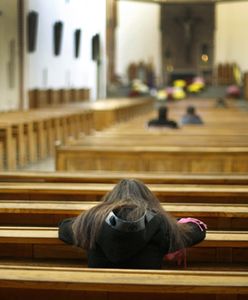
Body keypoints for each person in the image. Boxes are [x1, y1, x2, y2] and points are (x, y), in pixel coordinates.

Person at [59, 178, 207, 269]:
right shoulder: (161, 223)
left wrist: (90, 217)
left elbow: (64, 227)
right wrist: (176, 222)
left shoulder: (91, 221)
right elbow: (197, 231)